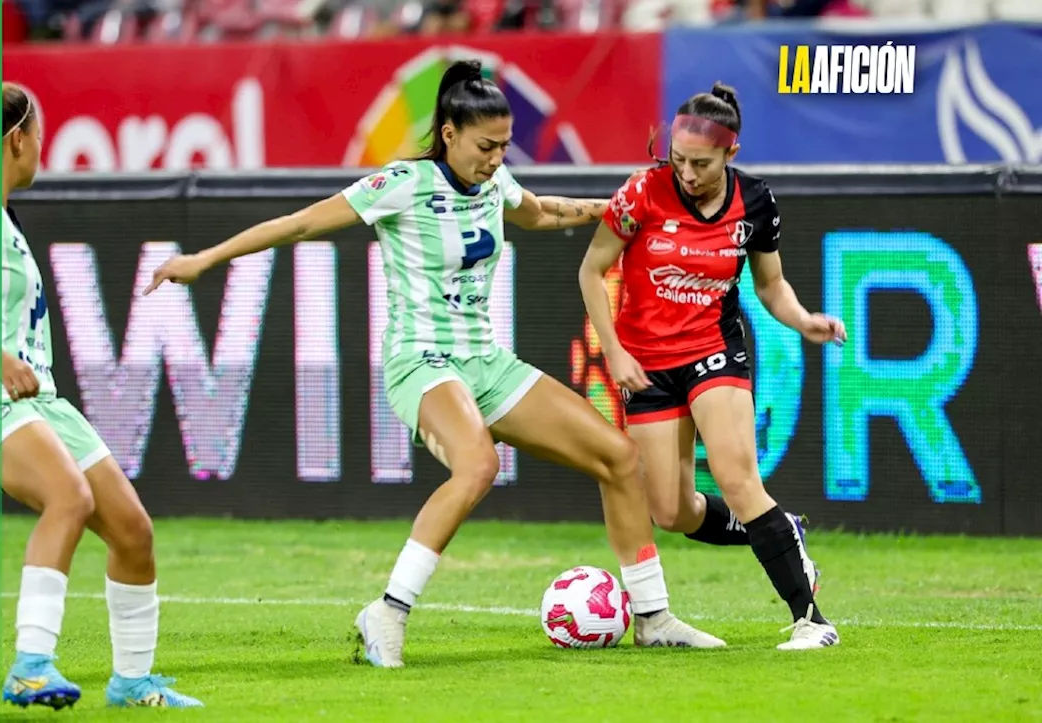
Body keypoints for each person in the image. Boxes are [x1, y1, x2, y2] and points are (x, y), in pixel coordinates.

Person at [144, 60, 725, 668]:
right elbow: (300, 223)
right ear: (448, 133)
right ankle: (387, 614)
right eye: (485, 146)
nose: (497, 158)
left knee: (619, 457)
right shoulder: (402, 183)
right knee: (475, 466)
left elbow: (541, 212)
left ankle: (654, 618)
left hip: (486, 361)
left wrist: (612, 209)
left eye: (504, 146)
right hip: (422, 362)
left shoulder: (496, 183)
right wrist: (203, 260)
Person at [0, 82, 204, 708]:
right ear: (16, 137)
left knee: (133, 530)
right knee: (67, 497)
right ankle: (30, 666)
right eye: (39, 135)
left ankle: (131, 683)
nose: (41, 148)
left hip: (38, 401)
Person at [577, 82, 843, 650]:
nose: (688, 173)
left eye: (701, 163)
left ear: (731, 154)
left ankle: (812, 620)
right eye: (678, 159)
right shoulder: (641, 194)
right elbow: (590, 270)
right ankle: (779, 533)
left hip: (713, 349)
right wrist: (615, 352)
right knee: (671, 511)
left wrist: (803, 320)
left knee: (738, 478)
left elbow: (771, 287)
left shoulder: (755, 201)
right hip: (646, 362)